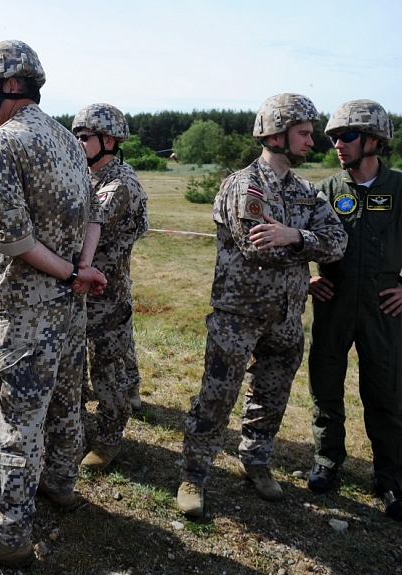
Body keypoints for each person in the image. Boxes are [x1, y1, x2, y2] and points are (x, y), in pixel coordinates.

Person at [0, 40, 106, 568]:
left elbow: (13, 240)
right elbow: (91, 216)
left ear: (10, 86)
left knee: (15, 416)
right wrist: (81, 271)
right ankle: (61, 485)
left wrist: (68, 273)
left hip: (31, 303)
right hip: (69, 303)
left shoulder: (1, 143)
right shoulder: (65, 138)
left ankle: (9, 531)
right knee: (63, 399)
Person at [176, 93, 348, 518]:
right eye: (304, 134)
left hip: (287, 315)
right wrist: (307, 244)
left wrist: (294, 236)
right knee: (217, 398)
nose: (312, 142)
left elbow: (338, 242)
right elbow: (258, 249)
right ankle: (194, 475)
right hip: (239, 315)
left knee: (271, 396)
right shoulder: (244, 185)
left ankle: (256, 461)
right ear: (276, 134)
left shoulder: (308, 191)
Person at [307, 99, 402, 520]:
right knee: (326, 386)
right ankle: (327, 462)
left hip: (384, 307)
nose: (337, 145)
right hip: (335, 302)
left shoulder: (400, 189)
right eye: (332, 137)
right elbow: (297, 241)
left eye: (346, 136)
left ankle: (391, 479)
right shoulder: (325, 191)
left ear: (374, 141)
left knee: (385, 392)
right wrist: (306, 278)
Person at [72, 103, 149, 471]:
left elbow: (84, 224)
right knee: (91, 363)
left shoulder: (119, 185)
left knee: (106, 368)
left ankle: (109, 439)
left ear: (109, 140)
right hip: (89, 288)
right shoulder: (93, 177)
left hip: (106, 294)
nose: (78, 142)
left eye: (84, 137)